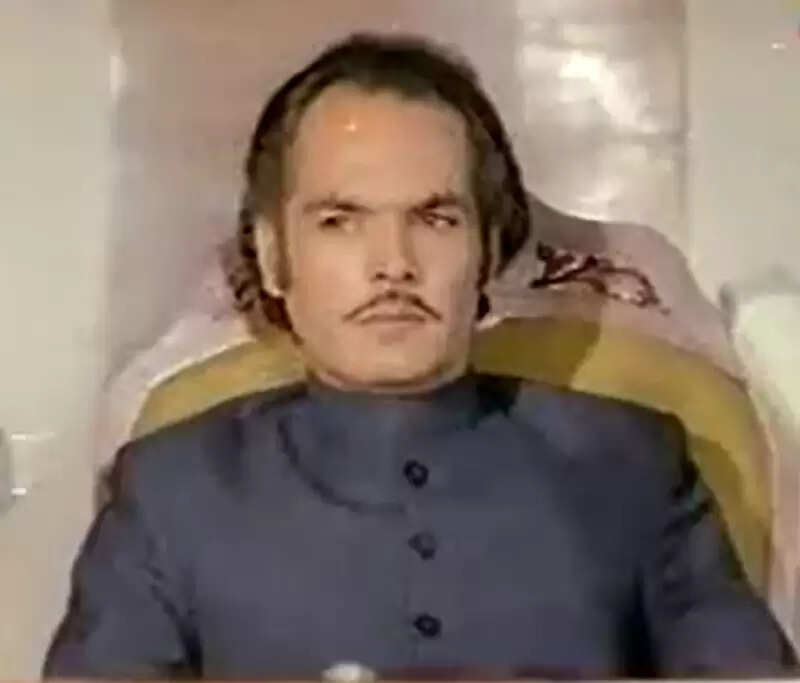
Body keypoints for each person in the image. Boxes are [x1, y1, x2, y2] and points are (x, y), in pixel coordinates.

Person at [45, 33, 795, 679]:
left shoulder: (633, 461)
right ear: (273, 258)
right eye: (340, 221)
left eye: (435, 219)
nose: (393, 264)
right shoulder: (169, 491)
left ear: (488, 251)